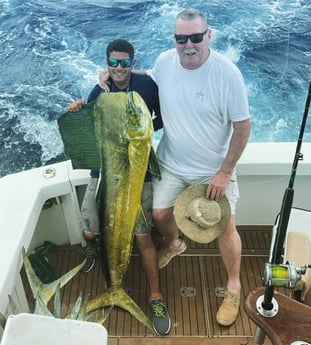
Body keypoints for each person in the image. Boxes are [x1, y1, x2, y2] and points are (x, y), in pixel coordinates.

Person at [100, 9, 251, 327]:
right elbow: (145, 76)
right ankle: (173, 243)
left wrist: (224, 173)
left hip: (213, 169)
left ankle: (234, 285)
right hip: (171, 161)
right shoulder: (166, 61)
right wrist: (111, 75)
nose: (189, 45)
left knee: (226, 226)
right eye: (182, 38)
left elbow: (243, 128)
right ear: (175, 40)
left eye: (196, 37)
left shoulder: (227, 75)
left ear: (209, 35)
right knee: (158, 215)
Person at [67, 39, 171, 336]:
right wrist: (79, 110)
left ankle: (155, 297)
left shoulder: (147, 86)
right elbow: (89, 127)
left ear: (133, 63)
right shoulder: (99, 91)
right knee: (90, 231)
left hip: (139, 171)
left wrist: (142, 133)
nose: (118, 68)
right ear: (106, 63)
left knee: (143, 239)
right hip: (104, 172)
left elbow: (161, 117)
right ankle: (93, 250)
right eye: (113, 63)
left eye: (124, 63)